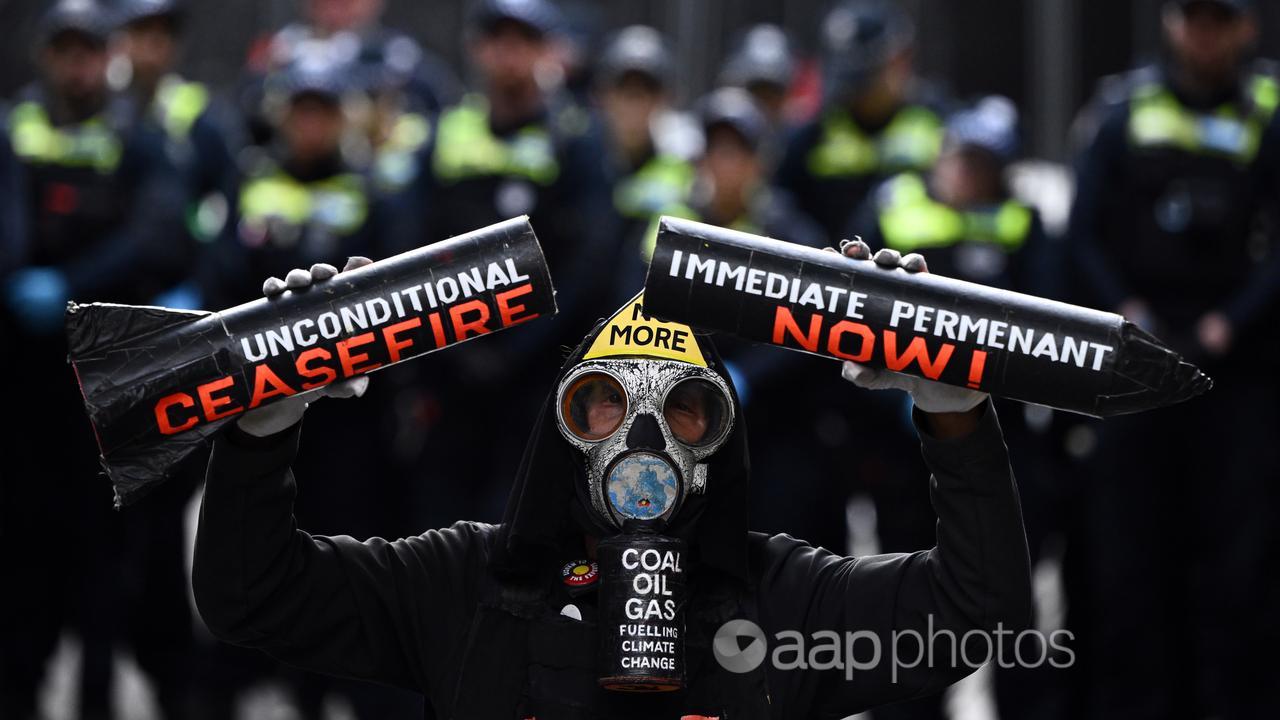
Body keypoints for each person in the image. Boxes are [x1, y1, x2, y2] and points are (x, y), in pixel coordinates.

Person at [192, 245, 1033, 718]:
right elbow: (250, 596)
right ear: (561, 425)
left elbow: (974, 613)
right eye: (602, 403)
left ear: (719, 434)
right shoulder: (469, 585)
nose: (640, 436)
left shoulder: (781, 601)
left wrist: (955, 417)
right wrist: (265, 428)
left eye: (683, 407)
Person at [1066, 1, 1280, 717]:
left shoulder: (1269, 110)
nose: (1205, 34)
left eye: (1220, 19)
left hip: (1239, 366)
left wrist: (1232, 322)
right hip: (1136, 365)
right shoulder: (1124, 109)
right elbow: (1083, 234)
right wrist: (1130, 314)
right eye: (1193, 17)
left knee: (1239, 568)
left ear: (1245, 27)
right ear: (1170, 22)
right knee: (1128, 562)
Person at [0, 1, 186, 717]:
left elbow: (158, 232)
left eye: (90, 51)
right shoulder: (16, 126)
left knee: (103, 557)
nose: (77, 65)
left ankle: (99, 696)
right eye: (66, 50)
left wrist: (71, 287)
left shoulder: (139, 137)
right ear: (48, 55)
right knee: (21, 551)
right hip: (20, 383)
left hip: (103, 386)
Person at [397, 0, 617, 531]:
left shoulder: (576, 140)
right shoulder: (445, 134)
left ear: (547, 51)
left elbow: (593, 258)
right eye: (499, 40)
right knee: (440, 530)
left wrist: (521, 347)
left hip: (540, 375)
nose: (510, 55)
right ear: (479, 49)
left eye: (524, 41)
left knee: (526, 530)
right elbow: (408, 243)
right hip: (450, 370)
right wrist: (457, 348)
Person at [775, 0, 947, 244]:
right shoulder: (813, 132)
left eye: (866, 77)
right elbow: (779, 202)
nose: (857, 91)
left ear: (900, 59)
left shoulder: (939, 124)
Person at [113, 0, 239, 308]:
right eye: (142, 33)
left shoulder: (200, 117)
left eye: (163, 36)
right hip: (106, 280)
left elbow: (221, 207)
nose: (152, 47)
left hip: (174, 283)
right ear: (120, 41)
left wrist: (201, 283)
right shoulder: (100, 110)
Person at [596, 25, 697, 304]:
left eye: (646, 90)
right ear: (604, 95)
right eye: (625, 89)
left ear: (665, 98)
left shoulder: (684, 175)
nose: (634, 102)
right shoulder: (580, 162)